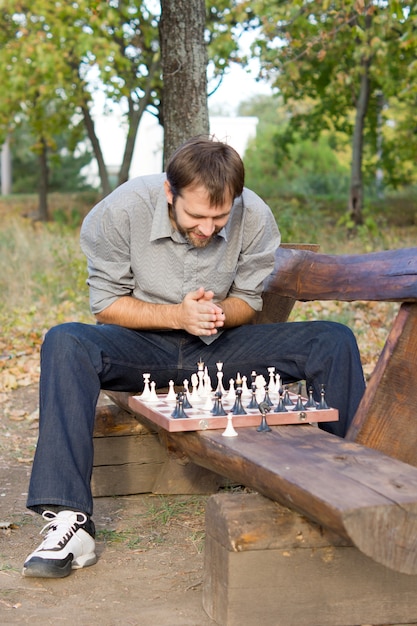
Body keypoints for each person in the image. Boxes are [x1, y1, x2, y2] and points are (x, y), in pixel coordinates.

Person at [23, 135, 365, 578]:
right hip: (144, 346)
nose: (208, 228)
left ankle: (353, 489)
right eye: (197, 215)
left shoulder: (255, 214)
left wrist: (214, 314)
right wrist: (176, 315)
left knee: (332, 338)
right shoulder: (120, 211)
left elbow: (249, 301)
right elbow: (106, 305)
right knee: (65, 341)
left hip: (221, 346)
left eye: (220, 217)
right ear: (170, 192)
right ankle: (72, 521)